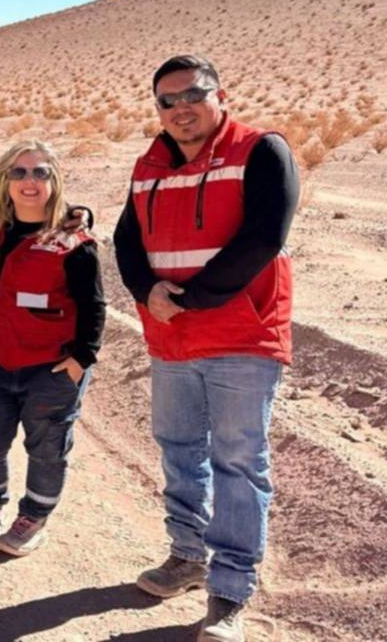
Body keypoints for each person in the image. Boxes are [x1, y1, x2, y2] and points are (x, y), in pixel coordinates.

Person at [114, 54, 297, 642]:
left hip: (241, 336)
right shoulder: (150, 163)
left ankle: (230, 591)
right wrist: (145, 291)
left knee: (238, 460)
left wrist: (190, 299)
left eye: (193, 95)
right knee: (179, 448)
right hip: (171, 337)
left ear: (220, 96)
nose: (181, 109)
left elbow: (263, 238)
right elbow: (125, 238)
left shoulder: (261, 151)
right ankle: (188, 555)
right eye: (167, 101)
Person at [0, 140, 104, 557]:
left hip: (50, 369)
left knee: (46, 448)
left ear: (54, 180)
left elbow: (94, 306)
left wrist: (82, 359)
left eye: (40, 172)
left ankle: (34, 517)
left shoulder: (73, 242)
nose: (29, 181)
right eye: (19, 172)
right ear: (3, 180)